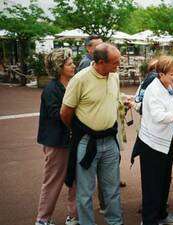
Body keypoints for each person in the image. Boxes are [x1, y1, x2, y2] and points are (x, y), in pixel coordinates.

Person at [60, 43, 124, 225]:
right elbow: (65, 112)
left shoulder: (114, 77)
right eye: (115, 62)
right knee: (85, 191)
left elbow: (113, 99)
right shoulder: (80, 79)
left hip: (110, 141)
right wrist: (80, 130)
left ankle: (115, 222)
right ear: (101, 62)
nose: (118, 65)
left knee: (112, 189)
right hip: (87, 141)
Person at [136, 55, 173, 225]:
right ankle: (149, 220)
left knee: (163, 180)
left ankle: (161, 214)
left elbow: (170, 106)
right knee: (152, 184)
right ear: (160, 74)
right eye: (172, 73)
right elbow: (158, 116)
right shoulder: (154, 89)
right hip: (152, 145)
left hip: (165, 142)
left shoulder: (167, 86)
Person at [35, 48, 78, 225]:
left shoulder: (73, 83)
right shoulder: (51, 89)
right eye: (69, 64)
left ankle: (74, 215)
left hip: (72, 139)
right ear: (59, 67)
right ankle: (43, 219)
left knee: (77, 179)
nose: (73, 65)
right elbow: (56, 114)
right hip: (56, 142)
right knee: (53, 180)